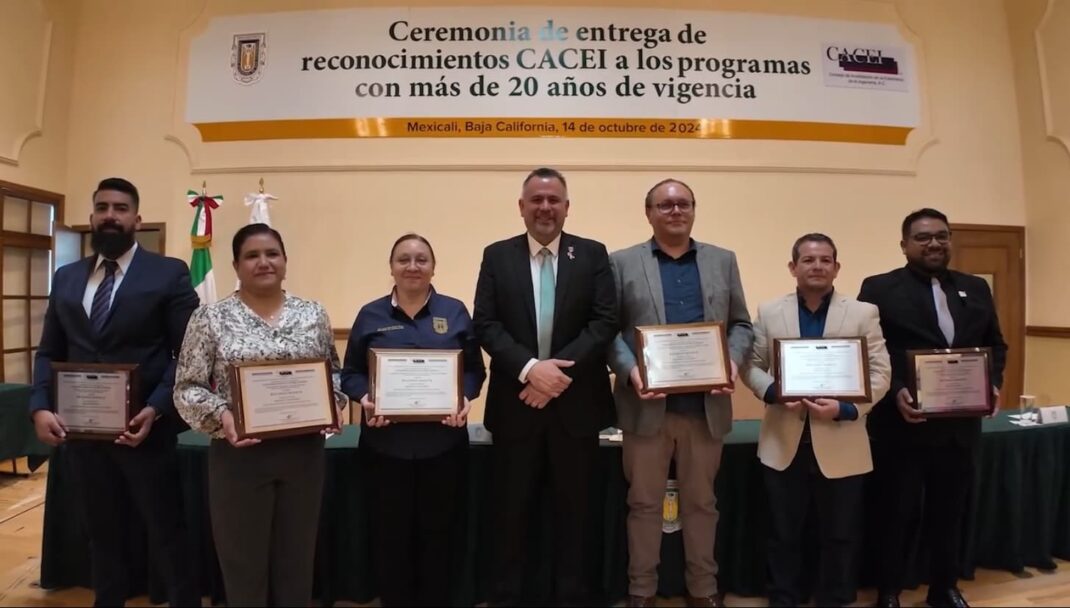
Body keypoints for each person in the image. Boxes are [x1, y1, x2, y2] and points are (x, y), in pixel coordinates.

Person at [29, 177, 201, 607]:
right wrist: (38, 407)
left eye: (120, 208)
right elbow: (49, 350)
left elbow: (189, 354)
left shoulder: (169, 272)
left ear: (136, 219)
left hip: (146, 430)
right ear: (91, 217)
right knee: (100, 533)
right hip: (83, 435)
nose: (110, 215)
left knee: (166, 532)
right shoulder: (67, 277)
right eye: (102, 207)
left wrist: (157, 408)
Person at [174, 223, 345, 607]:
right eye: (252, 255)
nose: (263, 262)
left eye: (272, 254)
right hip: (239, 455)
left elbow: (332, 372)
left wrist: (333, 401)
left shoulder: (312, 314)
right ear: (236, 265)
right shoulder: (210, 318)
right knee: (243, 566)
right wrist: (223, 415)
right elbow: (187, 387)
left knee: (296, 564)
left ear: (285, 261)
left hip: (303, 455)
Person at [472, 167, 617, 605]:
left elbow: (604, 321)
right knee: (512, 512)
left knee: (576, 514)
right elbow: (486, 324)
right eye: (536, 199)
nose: (545, 207)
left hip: (577, 409)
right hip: (517, 405)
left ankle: (572, 595)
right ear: (521, 207)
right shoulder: (497, 256)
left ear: (567, 208)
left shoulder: (592, 254)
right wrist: (530, 369)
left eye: (554, 200)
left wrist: (555, 376)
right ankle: (509, 595)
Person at [607, 178, 753, 608]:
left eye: (683, 204)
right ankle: (641, 590)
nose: (675, 211)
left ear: (693, 209)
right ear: (648, 211)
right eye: (664, 204)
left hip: (705, 410)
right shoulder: (621, 262)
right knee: (644, 504)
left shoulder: (722, 260)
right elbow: (608, 331)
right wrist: (631, 369)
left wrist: (732, 361)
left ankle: (703, 589)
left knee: (702, 504)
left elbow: (742, 324)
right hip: (644, 409)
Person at [858, 209, 1007, 608]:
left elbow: (995, 345)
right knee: (895, 512)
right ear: (904, 244)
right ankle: (889, 590)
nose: (934, 243)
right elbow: (872, 350)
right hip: (901, 424)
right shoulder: (879, 288)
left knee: (950, 512)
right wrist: (897, 391)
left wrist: (993, 382)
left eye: (941, 236)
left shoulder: (975, 288)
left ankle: (945, 587)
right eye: (923, 237)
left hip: (959, 427)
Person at [742, 233, 890, 607]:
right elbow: (752, 366)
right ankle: (784, 598)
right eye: (808, 260)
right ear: (793, 267)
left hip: (842, 439)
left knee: (840, 534)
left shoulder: (862, 312)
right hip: (783, 441)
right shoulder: (770, 311)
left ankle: (836, 598)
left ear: (837, 268)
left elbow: (880, 373)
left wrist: (847, 409)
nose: (817, 266)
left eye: (826, 260)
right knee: (783, 533)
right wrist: (776, 393)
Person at [341, 233, 486, 606]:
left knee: (439, 537)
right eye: (403, 259)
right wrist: (366, 399)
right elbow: (351, 372)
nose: (412, 267)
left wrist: (464, 398)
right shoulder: (370, 314)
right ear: (391, 267)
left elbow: (474, 370)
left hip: (442, 447)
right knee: (390, 538)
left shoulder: (454, 312)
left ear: (434, 267)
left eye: (421, 259)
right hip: (385, 449)